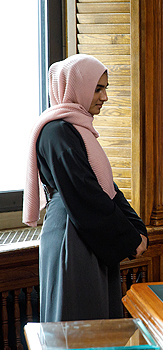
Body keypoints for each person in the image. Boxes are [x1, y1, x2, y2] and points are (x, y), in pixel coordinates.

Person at [22, 54, 148, 322]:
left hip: (87, 230)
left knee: (96, 317)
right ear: (75, 88)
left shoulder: (78, 130)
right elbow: (85, 194)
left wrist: (136, 229)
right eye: (97, 88)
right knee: (77, 321)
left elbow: (106, 187)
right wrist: (129, 239)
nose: (104, 97)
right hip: (72, 232)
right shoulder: (56, 132)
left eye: (105, 88)